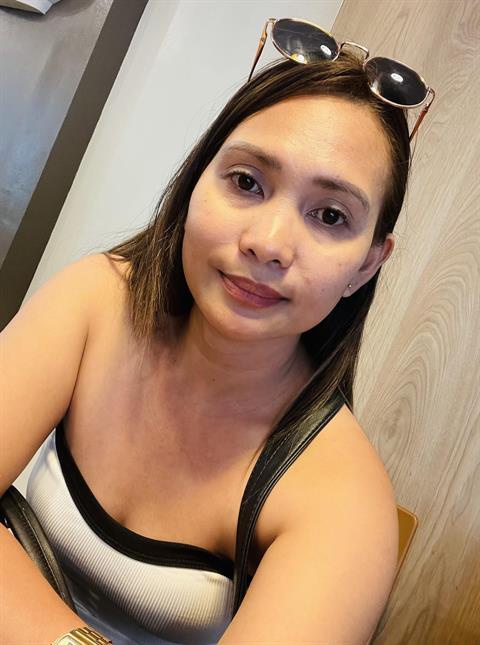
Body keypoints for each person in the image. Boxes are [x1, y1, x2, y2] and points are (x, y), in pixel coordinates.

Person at [0, 18, 434, 645]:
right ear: (197, 182)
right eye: (247, 182)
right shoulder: (97, 300)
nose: (267, 243)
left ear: (366, 265)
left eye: (330, 215)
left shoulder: (342, 497)